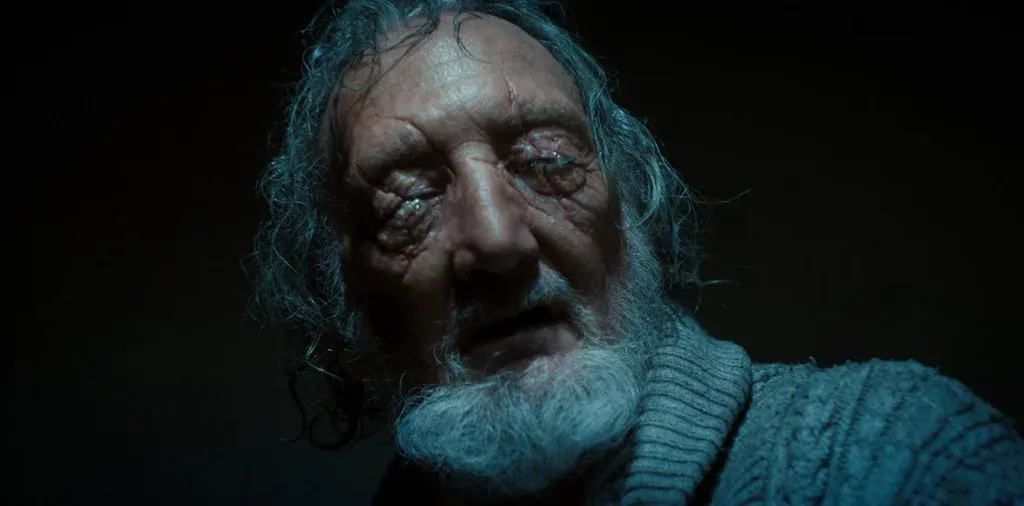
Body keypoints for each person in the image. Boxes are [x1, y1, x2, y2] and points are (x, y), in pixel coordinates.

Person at [249, 1, 1024, 504]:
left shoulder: (897, 454)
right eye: (406, 201)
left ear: (635, 215)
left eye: (547, 160)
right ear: (340, 310)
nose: (497, 240)